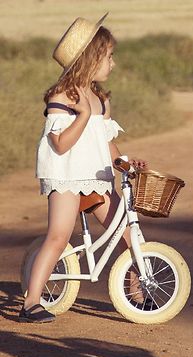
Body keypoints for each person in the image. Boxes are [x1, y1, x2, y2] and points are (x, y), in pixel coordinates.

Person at [20, 13, 145, 323]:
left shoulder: (100, 99)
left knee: (127, 231)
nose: (112, 64)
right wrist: (83, 115)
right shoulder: (61, 97)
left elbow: (104, 142)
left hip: (95, 176)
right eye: (108, 56)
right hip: (65, 175)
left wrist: (122, 162)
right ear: (90, 59)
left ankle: (138, 290)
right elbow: (61, 144)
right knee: (59, 236)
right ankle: (31, 302)